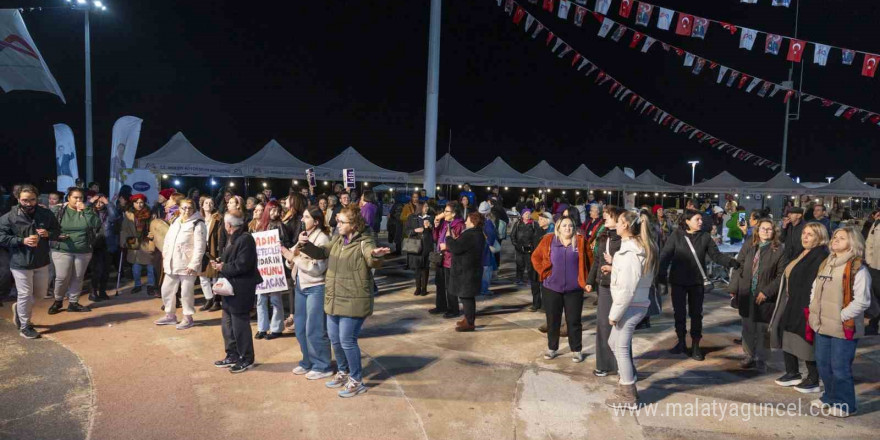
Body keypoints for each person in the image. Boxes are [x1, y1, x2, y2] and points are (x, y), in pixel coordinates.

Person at [297, 205, 390, 397]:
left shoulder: (365, 241)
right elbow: (321, 253)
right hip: (335, 297)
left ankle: (356, 380)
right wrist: (305, 244)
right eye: (337, 221)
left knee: (347, 340)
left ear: (354, 224)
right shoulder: (338, 239)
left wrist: (376, 256)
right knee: (335, 339)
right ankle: (343, 371)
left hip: (354, 299)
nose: (337, 224)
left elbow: (371, 256)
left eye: (341, 222)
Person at [658, 209, 740, 361]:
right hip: (678, 282)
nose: (701, 222)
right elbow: (665, 256)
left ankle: (696, 345)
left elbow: (716, 256)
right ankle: (681, 342)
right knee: (679, 314)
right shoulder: (676, 235)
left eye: (701, 219)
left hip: (697, 282)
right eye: (697, 219)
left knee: (696, 314)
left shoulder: (705, 237)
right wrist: (660, 276)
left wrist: (732, 262)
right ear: (687, 221)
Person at [809, 227, 873, 417]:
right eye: (835, 236)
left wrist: (841, 316)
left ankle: (846, 404)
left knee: (840, 367)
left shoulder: (857, 268)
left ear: (852, 243)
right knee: (823, 364)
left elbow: (863, 300)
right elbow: (815, 288)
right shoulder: (827, 263)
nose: (835, 240)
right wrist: (813, 309)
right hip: (822, 324)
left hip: (844, 327)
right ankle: (829, 397)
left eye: (842, 238)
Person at [605, 210, 657, 409]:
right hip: (633, 303)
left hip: (630, 305)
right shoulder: (637, 248)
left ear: (626, 225)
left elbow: (627, 288)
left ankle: (628, 394)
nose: (616, 224)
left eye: (619, 221)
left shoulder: (630, 252)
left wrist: (614, 314)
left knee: (621, 347)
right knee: (613, 342)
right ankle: (627, 378)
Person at [769, 223, 829, 393]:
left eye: (810, 234)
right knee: (787, 334)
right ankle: (792, 372)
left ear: (819, 237)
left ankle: (813, 378)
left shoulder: (821, 255)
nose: (805, 237)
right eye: (804, 233)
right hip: (790, 300)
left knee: (805, 339)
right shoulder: (803, 252)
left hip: (804, 303)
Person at [0, 185, 61, 339]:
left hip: (41, 261)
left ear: (37, 198)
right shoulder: (9, 217)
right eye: (25, 200)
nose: (28, 203)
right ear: (18, 199)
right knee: (25, 294)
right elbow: (1, 237)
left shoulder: (45, 213)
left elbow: (57, 231)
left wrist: (48, 233)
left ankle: (20, 309)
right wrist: (22, 240)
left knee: (40, 295)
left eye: (32, 199)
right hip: (20, 262)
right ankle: (25, 325)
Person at [730, 218, 787, 372]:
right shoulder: (750, 243)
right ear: (758, 230)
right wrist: (733, 287)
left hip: (764, 295)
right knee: (747, 327)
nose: (766, 231)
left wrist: (767, 292)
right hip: (746, 292)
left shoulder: (779, 249)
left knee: (763, 329)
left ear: (774, 231)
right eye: (763, 228)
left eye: (769, 229)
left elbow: (781, 274)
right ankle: (749, 355)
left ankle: (762, 358)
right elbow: (738, 265)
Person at [282, 206, 332, 377]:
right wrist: (287, 254)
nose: (302, 220)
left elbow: (316, 269)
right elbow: (293, 258)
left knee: (315, 328)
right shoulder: (304, 236)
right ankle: (308, 361)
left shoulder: (323, 238)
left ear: (316, 221)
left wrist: (293, 257)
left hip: (316, 287)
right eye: (302, 217)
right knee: (301, 328)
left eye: (306, 217)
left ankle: (322, 365)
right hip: (301, 286)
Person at [531, 217, 589, 362]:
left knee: (574, 321)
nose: (567, 228)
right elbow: (535, 257)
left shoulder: (580, 241)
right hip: (551, 288)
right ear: (558, 227)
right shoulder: (549, 240)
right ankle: (552, 348)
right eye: (564, 225)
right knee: (552, 320)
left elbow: (590, 259)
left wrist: (587, 279)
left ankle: (576, 349)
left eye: (570, 225)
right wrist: (544, 272)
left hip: (574, 289)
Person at [212, 210, 262, 373]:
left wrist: (223, 267)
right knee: (227, 324)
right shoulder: (234, 238)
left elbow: (242, 265)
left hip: (241, 288)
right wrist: (221, 262)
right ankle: (232, 354)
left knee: (239, 324)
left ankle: (246, 358)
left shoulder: (245, 239)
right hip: (230, 288)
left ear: (228, 225)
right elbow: (233, 259)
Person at [48, 187, 103, 314]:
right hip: (62, 248)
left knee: (78, 277)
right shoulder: (59, 210)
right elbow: (48, 226)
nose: (78, 200)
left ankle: (73, 302)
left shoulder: (87, 210)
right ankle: (58, 301)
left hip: (83, 249)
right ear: (68, 198)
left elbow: (96, 224)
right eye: (75, 197)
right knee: (62, 277)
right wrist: (56, 235)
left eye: (80, 198)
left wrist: (87, 210)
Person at [155, 198, 207, 329]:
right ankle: (170, 315)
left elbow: (200, 247)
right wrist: (165, 254)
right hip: (172, 263)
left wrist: (194, 265)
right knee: (166, 289)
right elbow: (167, 240)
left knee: (186, 293)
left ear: (194, 209)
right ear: (179, 208)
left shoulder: (198, 223)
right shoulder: (176, 221)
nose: (186, 210)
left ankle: (188, 317)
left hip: (187, 265)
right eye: (184, 208)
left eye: (189, 208)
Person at [586, 206, 625, 375]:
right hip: (604, 287)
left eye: (608, 215)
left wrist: (614, 263)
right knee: (603, 325)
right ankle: (604, 365)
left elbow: (634, 264)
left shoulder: (626, 240)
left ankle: (622, 366)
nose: (604, 217)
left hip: (621, 287)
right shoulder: (603, 236)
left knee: (621, 327)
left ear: (618, 219)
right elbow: (597, 260)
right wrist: (590, 281)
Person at [446, 212, 486, 332]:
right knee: (467, 297)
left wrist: (449, 237)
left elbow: (455, 248)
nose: (465, 222)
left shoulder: (471, 235)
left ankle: (469, 323)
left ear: (473, 222)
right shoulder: (477, 234)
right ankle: (468, 319)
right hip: (470, 270)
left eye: (467, 220)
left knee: (466, 296)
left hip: (466, 271)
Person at [431, 201, 465, 317]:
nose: (444, 213)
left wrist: (447, 247)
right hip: (440, 257)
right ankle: (441, 306)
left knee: (450, 286)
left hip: (451, 259)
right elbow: (436, 238)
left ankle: (453, 309)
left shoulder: (459, 225)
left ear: (454, 213)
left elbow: (460, 245)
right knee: (439, 283)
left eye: (446, 211)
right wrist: (435, 226)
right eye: (444, 211)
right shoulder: (445, 223)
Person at [120, 194, 158, 296]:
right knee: (135, 266)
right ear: (133, 203)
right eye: (136, 202)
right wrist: (123, 241)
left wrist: (152, 234)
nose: (139, 205)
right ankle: (137, 285)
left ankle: (151, 285)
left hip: (147, 240)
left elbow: (155, 227)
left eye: (141, 202)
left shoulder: (150, 213)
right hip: (133, 240)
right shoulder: (128, 214)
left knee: (150, 266)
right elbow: (124, 229)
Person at [88, 193, 119, 302]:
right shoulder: (89, 212)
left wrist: (108, 203)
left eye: (101, 202)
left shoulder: (108, 212)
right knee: (97, 270)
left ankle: (102, 291)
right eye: (97, 202)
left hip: (108, 243)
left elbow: (115, 216)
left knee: (106, 270)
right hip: (95, 244)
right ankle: (93, 292)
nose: (99, 204)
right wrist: (91, 200)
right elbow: (82, 210)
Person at [198, 196, 225, 312]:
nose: (208, 205)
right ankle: (208, 299)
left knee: (214, 276)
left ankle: (216, 300)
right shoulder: (198, 219)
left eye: (211, 203)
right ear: (202, 205)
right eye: (206, 203)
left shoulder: (218, 218)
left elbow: (221, 236)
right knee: (202, 275)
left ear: (214, 205)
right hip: (201, 249)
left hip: (214, 249)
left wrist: (220, 251)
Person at [404, 202, 433, 296]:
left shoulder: (431, 217)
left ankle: (424, 288)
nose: (426, 208)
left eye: (427, 206)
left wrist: (430, 227)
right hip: (416, 244)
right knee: (417, 267)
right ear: (420, 207)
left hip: (427, 244)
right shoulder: (412, 217)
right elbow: (407, 230)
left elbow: (435, 231)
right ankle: (417, 288)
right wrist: (415, 230)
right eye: (425, 206)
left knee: (425, 267)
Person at [530, 212, 554, 313]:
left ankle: (545, 305)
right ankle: (536, 304)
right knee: (534, 283)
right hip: (535, 260)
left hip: (545, 262)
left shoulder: (551, 233)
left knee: (544, 284)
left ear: (546, 220)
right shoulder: (537, 230)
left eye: (540, 219)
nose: (538, 221)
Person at [510, 209, 535, 286]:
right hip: (519, 248)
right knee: (519, 264)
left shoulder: (534, 224)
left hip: (529, 247)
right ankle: (519, 279)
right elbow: (512, 235)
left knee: (530, 265)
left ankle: (531, 280)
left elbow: (536, 235)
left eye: (529, 213)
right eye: (526, 214)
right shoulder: (517, 224)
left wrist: (533, 245)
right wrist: (516, 244)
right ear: (522, 215)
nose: (527, 215)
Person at [477, 202, 498, 296]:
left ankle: (479, 288)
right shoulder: (488, 222)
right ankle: (484, 290)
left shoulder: (476, 220)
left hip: (477, 249)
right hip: (486, 250)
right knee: (486, 270)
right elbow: (491, 237)